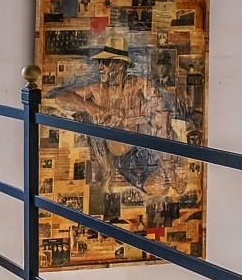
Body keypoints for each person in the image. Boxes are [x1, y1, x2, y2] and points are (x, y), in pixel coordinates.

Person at [46, 35, 173, 193]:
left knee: (160, 188)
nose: (100, 67)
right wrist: (91, 107)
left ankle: (167, 169)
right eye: (99, 62)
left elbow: (160, 107)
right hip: (112, 157)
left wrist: (127, 117)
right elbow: (61, 98)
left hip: (139, 153)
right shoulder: (96, 89)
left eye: (105, 62)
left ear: (120, 65)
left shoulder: (139, 84)